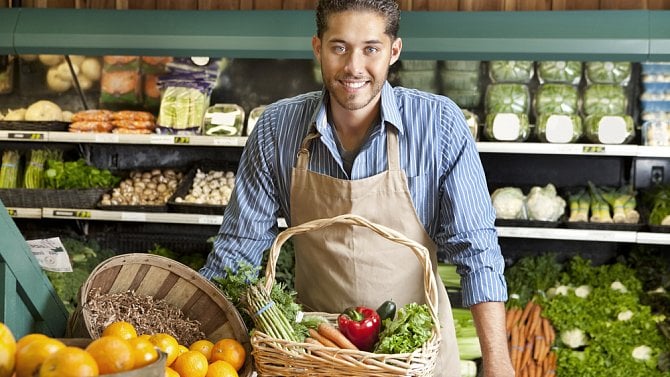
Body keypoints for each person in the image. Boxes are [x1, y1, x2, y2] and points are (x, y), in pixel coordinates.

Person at [200, 0, 514, 376]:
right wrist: (197, 345)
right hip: (315, 354)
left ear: (393, 51)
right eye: (339, 48)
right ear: (318, 47)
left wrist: (498, 363)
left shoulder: (439, 126)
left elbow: (477, 250)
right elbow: (238, 251)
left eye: (371, 49)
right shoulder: (277, 129)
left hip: (413, 358)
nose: (353, 67)